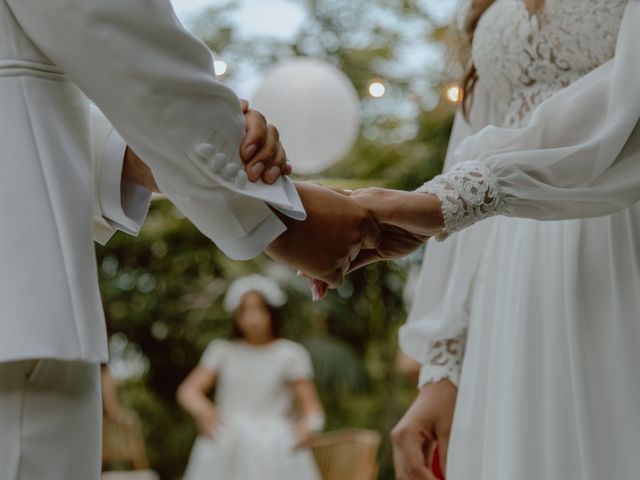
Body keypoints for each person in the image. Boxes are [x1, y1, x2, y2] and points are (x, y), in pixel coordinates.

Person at [0, 1, 381, 479]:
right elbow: (113, 26)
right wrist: (272, 212)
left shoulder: (287, 355)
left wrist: (143, 158)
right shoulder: (226, 353)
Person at [322, 1, 640, 479]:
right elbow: (469, 154)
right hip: (504, 278)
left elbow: (627, 98)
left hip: (618, 238)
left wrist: (450, 198)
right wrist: (444, 369)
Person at [178, 275, 325, 480]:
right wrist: (204, 411)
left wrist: (309, 428)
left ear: (271, 313)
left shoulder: (290, 354)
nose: (252, 318)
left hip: (274, 447)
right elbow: (188, 391)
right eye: (245, 310)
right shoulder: (222, 351)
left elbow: (313, 409)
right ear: (237, 317)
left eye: (259, 309)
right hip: (225, 441)